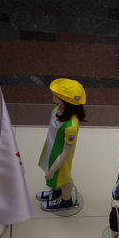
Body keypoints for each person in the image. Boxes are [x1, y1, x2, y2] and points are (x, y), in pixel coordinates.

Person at [36, 78, 86, 211]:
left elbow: (66, 152)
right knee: (56, 177)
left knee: (64, 178)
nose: (53, 93)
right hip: (51, 148)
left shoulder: (71, 126)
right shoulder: (58, 108)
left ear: (66, 100)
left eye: (57, 93)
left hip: (60, 155)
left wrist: (52, 170)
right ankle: (56, 192)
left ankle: (65, 201)